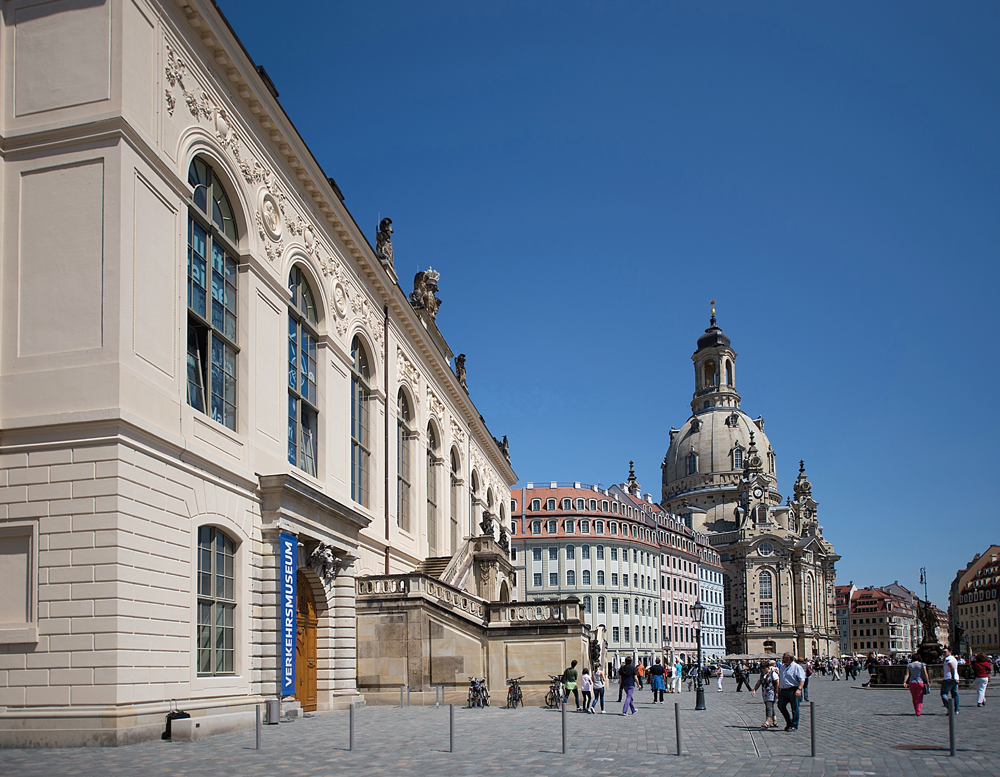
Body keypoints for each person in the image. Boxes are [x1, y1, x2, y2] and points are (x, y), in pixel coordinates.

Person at [776, 652, 806, 731]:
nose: (782, 659)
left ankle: (794, 725)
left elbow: (802, 679)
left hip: (793, 690)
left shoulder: (797, 667)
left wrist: (799, 689)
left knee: (794, 708)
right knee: (780, 705)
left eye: (784, 657)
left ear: (788, 658)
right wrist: (778, 690)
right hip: (783, 690)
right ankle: (789, 722)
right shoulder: (782, 667)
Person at [751, 659, 780, 728]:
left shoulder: (773, 674)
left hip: (771, 693)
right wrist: (754, 690)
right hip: (765, 693)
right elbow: (758, 683)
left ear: (768, 667)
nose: (763, 670)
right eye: (762, 668)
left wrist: (777, 692)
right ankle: (775, 721)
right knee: (771, 707)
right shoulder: (761, 675)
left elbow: (778, 682)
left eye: (764, 668)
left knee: (768, 707)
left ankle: (767, 722)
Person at [941, 647, 960, 715]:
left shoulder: (948, 659)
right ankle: (956, 709)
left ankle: (950, 707)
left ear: (949, 652)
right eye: (942, 652)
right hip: (955, 678)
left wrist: (952, 676)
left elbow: (951, 667)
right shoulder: (954, 658)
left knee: (943, 694)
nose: (943, 653)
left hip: (949, 678)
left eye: (945, 652)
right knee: (955, 694)